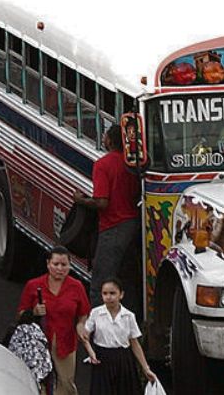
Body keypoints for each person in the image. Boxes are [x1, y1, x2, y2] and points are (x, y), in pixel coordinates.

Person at [73, 124, 141, 311]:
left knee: (100, 284)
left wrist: (81, 200)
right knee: (126, 280)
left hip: (113, 226)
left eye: (104, 135)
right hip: (132, 225)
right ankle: (130, 327)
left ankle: (99, 329)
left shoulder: (102, 165)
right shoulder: (133, 164)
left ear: (109, 140)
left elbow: (102, 202)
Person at [18, 246, 90, 395]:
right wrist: (34, 312)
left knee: (66, 383)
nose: (59, 268)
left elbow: (84, 313)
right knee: (42, 382)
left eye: (64, 265)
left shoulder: (76, 286)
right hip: (40, 342)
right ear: (48, 264)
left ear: (70, 266)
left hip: (66, 342)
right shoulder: (33, 285)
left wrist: (81, 325)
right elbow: (21, 314)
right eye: (56, 264)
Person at [81, 278, 158, 395]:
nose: (108, 297)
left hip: (123, 359)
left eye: (112, 293)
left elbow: (134, 343)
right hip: (103, 358)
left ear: (121, 295)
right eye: (105, 293)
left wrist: (145, 368)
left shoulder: (128, 316)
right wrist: (91, 352)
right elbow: (85, 336)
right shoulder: (96, 313)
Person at [6, 310, 53, 392]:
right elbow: (46, 361)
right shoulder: (39, 334)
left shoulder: (15, 333)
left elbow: (7, 350)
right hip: (37, 376)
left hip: (18, 373)